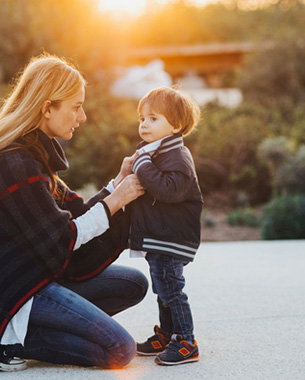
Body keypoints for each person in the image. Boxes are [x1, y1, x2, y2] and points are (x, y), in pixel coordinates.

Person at [0, 53, 148, 375]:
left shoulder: (31, 154)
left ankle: (45, 331)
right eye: (75, 106)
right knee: (120, 350)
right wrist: (113, 202)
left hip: (35, 275)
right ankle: (9, 341)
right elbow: (64, 237)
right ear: (47, 108)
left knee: (133, 282)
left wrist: (116, 186)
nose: (81, 117)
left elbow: (73, 212)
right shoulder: (14, 164)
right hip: (14, 294)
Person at [130, 87, 203, 365]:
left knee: (171, 288)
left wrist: (142, 165)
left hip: (172, 236)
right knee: (162, 288)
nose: (144, 124)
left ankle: (186, 340)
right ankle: (169, 333)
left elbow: (169, 191)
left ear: (175, 125)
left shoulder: (177, 157)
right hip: (159, 236)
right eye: (142, 118)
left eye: (153, 118)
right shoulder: (155, 154)